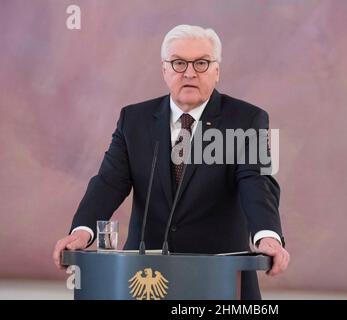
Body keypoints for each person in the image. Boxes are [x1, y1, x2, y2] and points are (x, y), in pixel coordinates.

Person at [53, 24, 289, 299]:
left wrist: (267, 236)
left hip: (220, 278)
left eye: (201, 62)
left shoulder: (247, 120)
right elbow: (108, 182)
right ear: (165, 69)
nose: (189, 73)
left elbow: (257, 181)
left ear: (217, 70)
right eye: (179, 63)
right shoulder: (134, 120)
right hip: (144, 278)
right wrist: (82, 231)